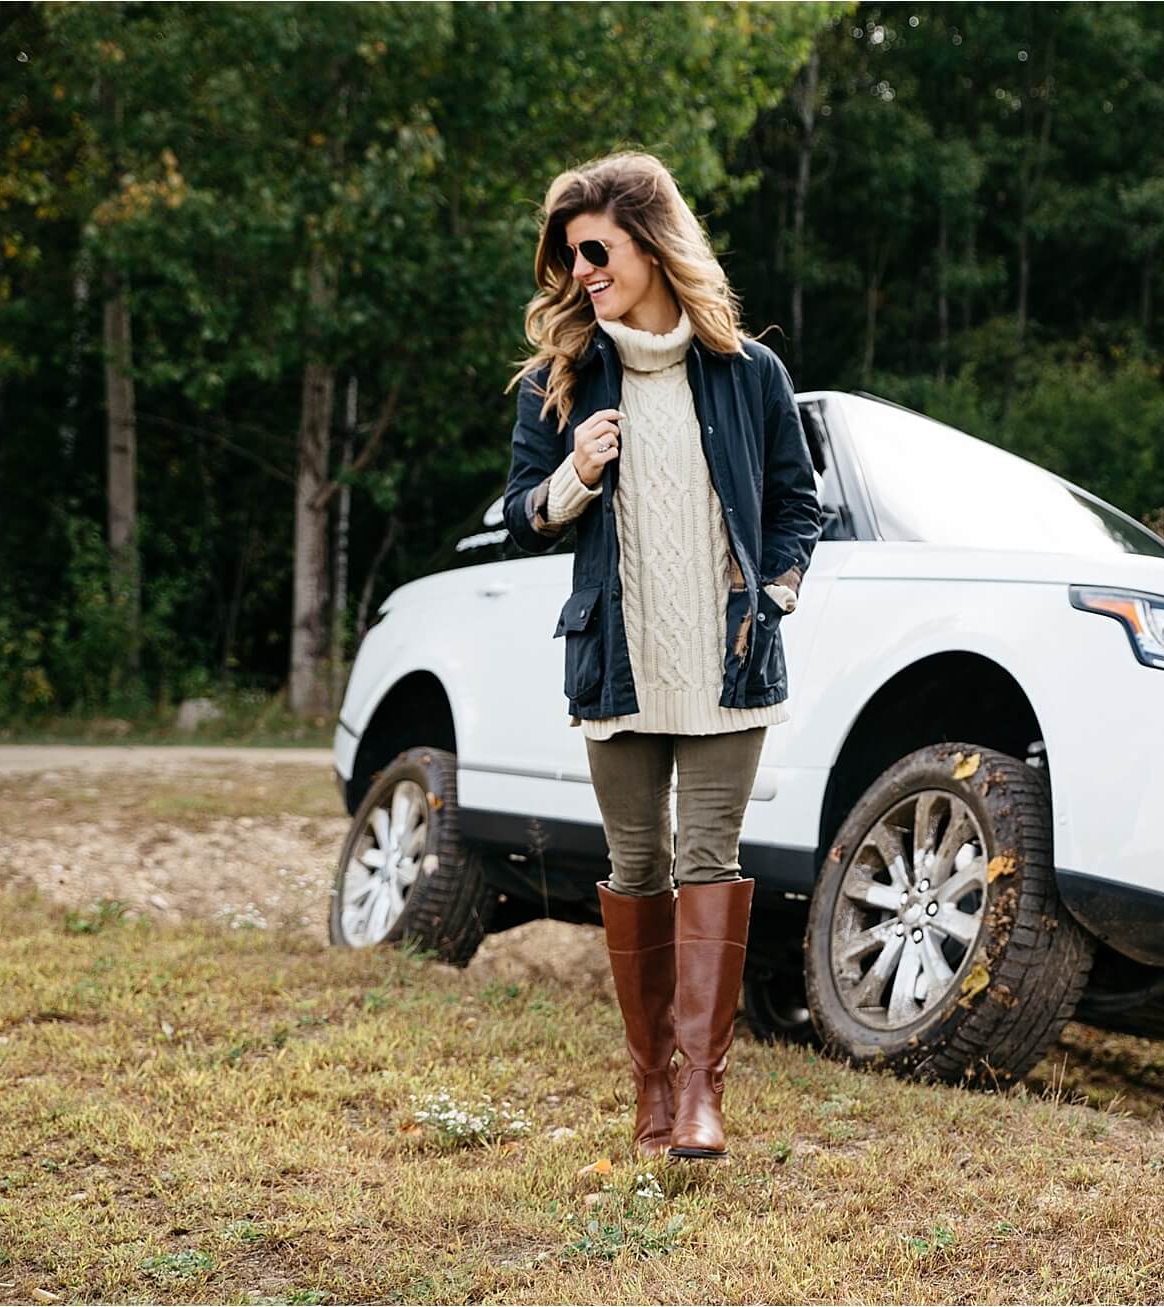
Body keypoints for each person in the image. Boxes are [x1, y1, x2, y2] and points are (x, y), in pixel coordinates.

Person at [499, 150, 821, 1162]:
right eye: (568, 256)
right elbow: (519, 518)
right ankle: (651, 1082)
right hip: (617, 664)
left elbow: (797, 503)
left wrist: (769, 598)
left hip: (726, 664)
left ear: (650, 242)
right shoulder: (559, 380)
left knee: (707, 859)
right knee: (636, 868)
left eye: (595, 250)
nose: (581, 271)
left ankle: (702, 1098)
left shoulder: (746, 371)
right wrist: (575, 474)